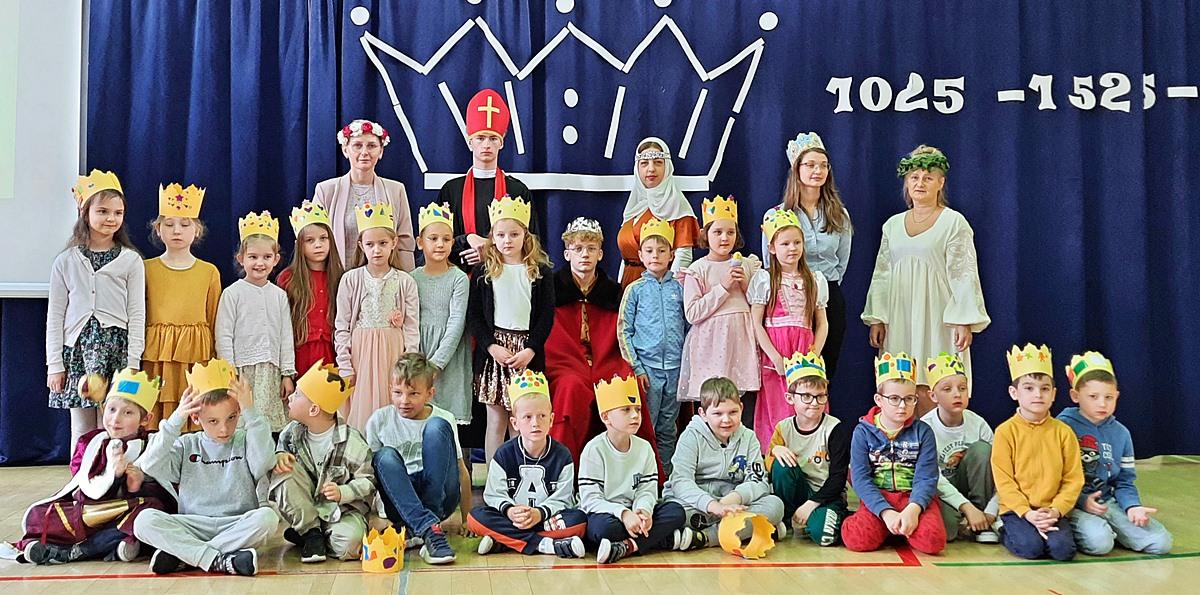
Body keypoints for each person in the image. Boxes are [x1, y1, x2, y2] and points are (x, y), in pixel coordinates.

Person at [862, 145, 989, 417]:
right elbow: (882, 274)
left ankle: (937, 438)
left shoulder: (953, 223)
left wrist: (963, 319)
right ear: (907, 183)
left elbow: (963, 272)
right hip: (900, 315)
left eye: (928, 178)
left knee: (937, 381)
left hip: (937, 316)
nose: (920, 183)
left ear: (940, 183)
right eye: (914, 177)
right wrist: (878, 317)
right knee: (901, 380)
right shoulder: (892, 225)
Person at [133, 359, 280, 576]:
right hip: (193, 525)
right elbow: (149, 465)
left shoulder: (246, 440)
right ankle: (220, 559)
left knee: (267, 518)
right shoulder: (186, 444)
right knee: (143, 522)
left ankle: (188, 557)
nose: (224, 429)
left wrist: (251, 412)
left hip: (236, 524)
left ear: (239, 411)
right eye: (213, 421)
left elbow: (264, 464)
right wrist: (176, 420)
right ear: (195, 417)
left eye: (231, 418)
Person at [14, 369, 172, 565]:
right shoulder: (90, 443)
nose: (116, 419)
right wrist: (114, 477)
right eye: (112, 409)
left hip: (127, 510)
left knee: (152, 509)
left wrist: (136, 486)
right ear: (103, 408)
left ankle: (76, 551)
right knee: (40, 514)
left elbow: (166, 493)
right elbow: (81, 488)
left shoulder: (151, 444)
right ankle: (112, 545)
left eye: (128, 413)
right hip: (90, 510)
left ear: (146, 419)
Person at [545, 217, 657, 464]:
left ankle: (634, 467)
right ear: (567, 254)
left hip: (607, 360)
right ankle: (565, 468)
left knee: (627, 383)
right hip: (565, 362)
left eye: (591, 249)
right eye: (578, 249)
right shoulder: (551, 289)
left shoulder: (613, 292)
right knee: (571, 388)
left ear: (601, 254)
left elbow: (624, 334)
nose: (585, 255)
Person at [47, 169, 145, 449]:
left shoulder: (130, 260)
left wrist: (133, 362)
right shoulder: (66, 261)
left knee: (112, 424)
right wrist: (55, 365)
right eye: (102, 211)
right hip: (77, 351)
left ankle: (108, 475)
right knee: (81, 427)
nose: (111, 218)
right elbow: (55, 316)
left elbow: (137, 313)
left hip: (116, 351)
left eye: (118, 212)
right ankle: (81, 474)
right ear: (85, 212)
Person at [466, 195, 555, 464]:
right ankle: (495, 477)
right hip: (495, 353)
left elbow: (546, 316)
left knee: (522, 420)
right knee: (496, 421)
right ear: (492, 237)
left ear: (525, 235)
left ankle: (520, 472)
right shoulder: (484, 272)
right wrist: (491, 346)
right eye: (501, 235)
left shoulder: (539, 272)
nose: (507, 241)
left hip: (525, 354)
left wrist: (531, 349)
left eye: (514, 234)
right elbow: (475, 316)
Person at [1058, 351, 1172, 556]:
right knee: (1100, 544)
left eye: (1109, 397)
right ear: (1075, 396)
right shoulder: (1062, 427)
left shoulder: (1121, 433)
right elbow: (1054, 477)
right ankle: (1096, 531)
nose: (1102, 404)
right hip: (1071, 504)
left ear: (1117, 396)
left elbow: (1124, 481)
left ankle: (1114, 529)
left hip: (1107, 502)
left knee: (1161, 542)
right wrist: (1081, 501)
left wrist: (1132, 507)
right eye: (1093, 397)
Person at [467, 370, 588, 559]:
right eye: (528, 417)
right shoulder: (504, 454)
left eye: (542, 416)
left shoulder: (562, 456)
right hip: (512, 519)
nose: (535, 423)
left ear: (551, 420)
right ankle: (545, 544)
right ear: (515, 423)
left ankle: (505, 540)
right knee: (475, 517)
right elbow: (493, 494)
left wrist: (539, 513)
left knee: (579, 520)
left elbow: (564, 498)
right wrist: (510, 510)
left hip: (545, 519)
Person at [761, 132, 852, 381]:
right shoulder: (777, 214)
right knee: (790, 372)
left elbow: (842, 261)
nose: (817, 171)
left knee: (823, 367)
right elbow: (771, 264)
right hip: (789, 297)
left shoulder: (839, 215)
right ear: (797, 169)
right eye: (810, 165)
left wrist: (822, 286)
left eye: (823, 165)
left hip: (827, 294)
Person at [367, 353, 472, 565]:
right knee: (383, 456)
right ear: (390, 389)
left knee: (437, 427)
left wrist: (467, 519)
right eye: (398, 393)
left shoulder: (445, 417)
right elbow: (370, 477)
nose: (404, 401)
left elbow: (460, 469)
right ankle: (428, 529)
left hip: (440, 498)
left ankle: (424, 524)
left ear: (430, 393)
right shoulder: (379, 419)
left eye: (413, 393)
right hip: (401, 502)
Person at [269, 362, 374, 564]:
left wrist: (344, 492)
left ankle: (310, 535)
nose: (290, 397)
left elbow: (369, 480)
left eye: (297, 394)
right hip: (305, 506)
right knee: (284, 467)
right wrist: (280, 455)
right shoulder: (291, 434)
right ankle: (310, 531)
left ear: (314, 409)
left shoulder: (353, 443)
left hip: (341, 512)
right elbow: (280, 458)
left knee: (350, 545)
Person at [841, 352, 946, 555]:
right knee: (857, 539)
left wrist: (914, 509)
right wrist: (885, 512)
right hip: (879, 498)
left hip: (912, 498)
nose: (902, 406)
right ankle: (889, 526)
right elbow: (860, 479)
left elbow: (926, 478)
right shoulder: (862, 432)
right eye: (894, 399)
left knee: (933, 540)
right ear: (879, 400)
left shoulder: (923, 432)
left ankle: (897, 529)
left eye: (909, 399)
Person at [664, 377, 784, 549]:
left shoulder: (749, 437)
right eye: (718, 414)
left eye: (733, 412)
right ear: (703, 414)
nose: (726, 420)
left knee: (775, 505)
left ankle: (704, 537)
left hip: (733, 501)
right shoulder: (691, 437)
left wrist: (732, 500)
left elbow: (758, 481)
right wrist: (712, 505)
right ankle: (757, 530)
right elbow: (681, 482)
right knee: (673, 514)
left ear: (741, 408)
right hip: (698, 503)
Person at [579, 374, 687, 563]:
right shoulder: (594, 450)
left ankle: (628, 546)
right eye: (626, 410)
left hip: (634, 511)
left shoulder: (644, 448)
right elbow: (591, 500)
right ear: (606, 417)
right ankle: (658, 540)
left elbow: (647, 490)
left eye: (637, 409)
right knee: (603, 528)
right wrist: (624, 514)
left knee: (676, 511)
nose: (635, 415)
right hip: (608, 513)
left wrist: (643, 511)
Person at [991, 344, 1084, 561]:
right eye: (1029, 388)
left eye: (1044, 389)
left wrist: (1056, 510)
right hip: (1017, 510)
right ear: (1014, 393)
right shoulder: (1005, 432)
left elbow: (1073, 479)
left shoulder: (1063, 432)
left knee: (1063, 551)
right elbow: (1004, 481)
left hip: (1051, 509)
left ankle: (1045, 530)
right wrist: (1027, 512)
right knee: (1031, 548)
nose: (1038, 395)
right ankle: (1004, 529)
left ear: (1054, 394)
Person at [334, 201, 421, 430]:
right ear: (361, 245)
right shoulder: (350, 279)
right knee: (362, 410)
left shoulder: (405, 281)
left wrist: (409, 363)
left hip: (393, 353)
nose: (376, 250)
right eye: (370, 244)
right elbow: (342, 325)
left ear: (394, 243)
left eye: (383, 243)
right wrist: (344, 364)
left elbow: (412, 325)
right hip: (361, 355)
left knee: (391, 403)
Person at [142, 182, 221, 428]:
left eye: (185, 225)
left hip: (195, 355)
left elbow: (214, 317)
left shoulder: (209, 271)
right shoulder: (146, 269)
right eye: (169, 224)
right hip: (158, 354)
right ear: (158, 230)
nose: (177, 230)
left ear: (197, 230)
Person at [750, 208, 828, 452]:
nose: (792, 248)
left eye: (797, 242)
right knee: (777, 405)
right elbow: (756, 322)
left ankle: (811, 456)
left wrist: (814, 353)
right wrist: (774, 356)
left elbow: (822, 323)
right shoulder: (765, 279)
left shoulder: (814, 279)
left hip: (804, 350)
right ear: (772, 248)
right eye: (785, 244)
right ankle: (775, 457)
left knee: (808, 400)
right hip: (777, 350)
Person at [438, 89, 538, 269]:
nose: (486, 145)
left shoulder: (517, 190)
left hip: (506, 276)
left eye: (493, 138)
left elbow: (531, 243)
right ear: (470, 142)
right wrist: (467, 239)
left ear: (502, 142)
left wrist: (492, 251)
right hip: (461, 277)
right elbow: (437, 239)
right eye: (480, 138)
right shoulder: (451, 190)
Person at [215, 212, 295, 432]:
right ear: (241, 258)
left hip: (271, 372)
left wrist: (287, 374)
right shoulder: (232, 293)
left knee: (269, 426)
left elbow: (285, 336)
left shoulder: (279, 295)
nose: (260, 263)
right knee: (243, 424)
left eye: (266, 257)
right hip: (243, 372)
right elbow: (223, 334)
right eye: (253, 257)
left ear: (276, 260)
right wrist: (229, 371)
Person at [677, 196, 761, 405]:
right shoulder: (698, 269)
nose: (725, 238)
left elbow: (760, 306)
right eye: (718, 232)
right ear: (705, 234)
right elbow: (693, 313)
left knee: (742, 404)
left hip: (741, 343)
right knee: (715, 400)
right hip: (712, 346)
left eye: (730, 232)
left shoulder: (748, 265)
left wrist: (745, 285)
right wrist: (723, 287)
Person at [617, 217, 686, 472]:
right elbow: (624, 330)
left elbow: (689, 327)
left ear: (671, 254)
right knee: (646, 424)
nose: (655, 255)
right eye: (649, 251)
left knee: (668, 426)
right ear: (640, 255)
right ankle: (642, 474)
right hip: (647, 370)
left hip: (675, 369)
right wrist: (637, 367)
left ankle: (664, 474)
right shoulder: (634, 290)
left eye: (661, 250)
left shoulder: (680, 289)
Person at [764, 351, 850, 547]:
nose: (814, 403)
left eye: (820, 397)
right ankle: (785, 517)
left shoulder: (834, 428)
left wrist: (811, 505)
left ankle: (832, 516)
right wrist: (775, 451)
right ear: (790, 398)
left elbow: (838, 478)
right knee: (782, 466)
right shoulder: (783, 428)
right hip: (799, 490)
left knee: (823, 536)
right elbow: (769, 468)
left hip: (827, 495)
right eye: (806, 397)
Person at [313, 119, 415, 271]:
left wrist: (407, 280)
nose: (364, 152)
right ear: (345, 150)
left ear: (381, 151)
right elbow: (314, 240)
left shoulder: (396, 190)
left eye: (372, 146)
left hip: (383, 280)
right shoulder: (325, 190)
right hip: (337, 278)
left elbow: (404, 244)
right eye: (357, 145)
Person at [919, 353, 1000, 543]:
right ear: (933, 396)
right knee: (947, 532)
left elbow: (1001, 471)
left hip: (974, 492)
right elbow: (932, 478)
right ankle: (967, 518)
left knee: (982, 450)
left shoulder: (978, 424)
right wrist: (965, 507)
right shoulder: (925, 427)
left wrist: (990, 511)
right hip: (943, 493)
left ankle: (982, 521)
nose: (957, 394)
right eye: (947, 389)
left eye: (962, 388)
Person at [411, 203, 472, 424]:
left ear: (452, 243)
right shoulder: (412, 278)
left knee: (448, 419)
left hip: (449, 355)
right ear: (420, 242)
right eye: (433, 238)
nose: (440, 244)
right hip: (421, 351)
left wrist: (437, 363)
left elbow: (457, 322)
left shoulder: (458, 279)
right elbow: (410, 319)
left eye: (446, 239)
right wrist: (418, 360)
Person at [615, 137, 701, 287]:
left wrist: (668, 290)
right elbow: (626, 258)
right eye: (644, 163)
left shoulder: (677, 207)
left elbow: (683, 256)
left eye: (658, 162)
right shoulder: (633, 207)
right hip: (628, 286)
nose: (651, 169)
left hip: (659, 285)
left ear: (667, 166)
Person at [279, 200, 344, 376]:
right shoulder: (288, 278)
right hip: (300, 353)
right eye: (310, 240)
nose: (318, 244)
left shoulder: (341, 277)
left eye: (323, 238)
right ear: (299, 245)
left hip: (332, 352)